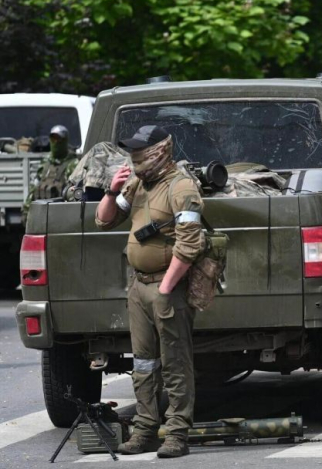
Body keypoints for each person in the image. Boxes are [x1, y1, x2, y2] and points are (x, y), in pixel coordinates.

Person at [96, 125, 205, 458]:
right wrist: (112, 191)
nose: (136, 156)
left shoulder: (181, 187)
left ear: (160, 150)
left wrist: (166, 288)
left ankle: (176, 434)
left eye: (142, 149)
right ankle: (144, 430)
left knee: (175, 363)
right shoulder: (137, 183)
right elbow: (104, 220)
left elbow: (189, 245)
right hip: (139, 286)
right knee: (143, 364)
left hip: (165, 287)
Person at [21, 125, 78, 224]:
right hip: (41, 216)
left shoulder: (73, 164)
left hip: (61, 217)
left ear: (65, 141)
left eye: (59, 139)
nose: (55, 142)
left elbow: (75, 195)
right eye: (53, 138)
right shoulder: (45, 163)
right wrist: (26, 211)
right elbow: (34, 188)